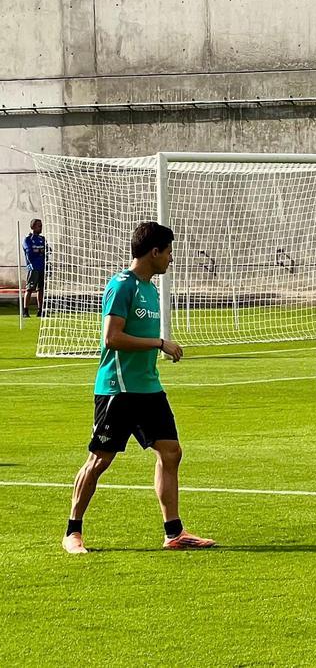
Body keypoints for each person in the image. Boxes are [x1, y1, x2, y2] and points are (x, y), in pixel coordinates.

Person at [62, 222, 215, 555]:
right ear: (154, 252)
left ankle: (173, 532)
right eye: (169, 251)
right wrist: (159, 343)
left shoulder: (151, 289)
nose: (171, 259)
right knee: (100, 460)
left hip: (148, 388)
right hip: (118, 389)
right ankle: (73, 531)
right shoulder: (122, 286)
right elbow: (112, 337)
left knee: (171, 452)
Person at [22, 218, 49, 317]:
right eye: (39, 226)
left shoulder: (42, 239)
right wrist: (40, 250)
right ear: (33, 227)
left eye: (41, 225)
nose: (41, 227)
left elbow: (48, 250)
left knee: (40, 289)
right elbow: (30, 252)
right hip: (33, 268)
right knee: (29, 289)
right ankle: (25, 310)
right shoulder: (28, 239)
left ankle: (40, 310)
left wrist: (40, 250)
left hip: (42, 267)